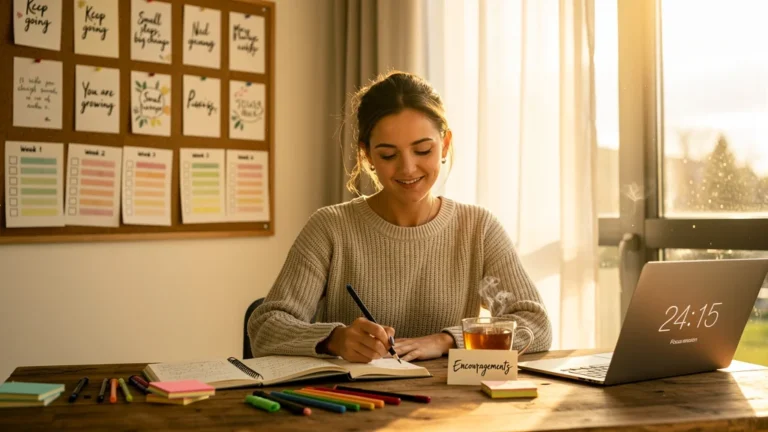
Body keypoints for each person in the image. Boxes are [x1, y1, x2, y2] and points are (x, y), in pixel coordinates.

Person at [248, 71, 552, 363]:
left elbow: (533, 326)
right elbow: (265, 328)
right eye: (389, 155)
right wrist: (334, 340)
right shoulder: (331, 229)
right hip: (352, 406)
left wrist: (447, 340)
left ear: (444, 145)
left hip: (449, 405)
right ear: (367, 156)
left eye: (422, 150)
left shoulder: (477, 231)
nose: (408, 169)